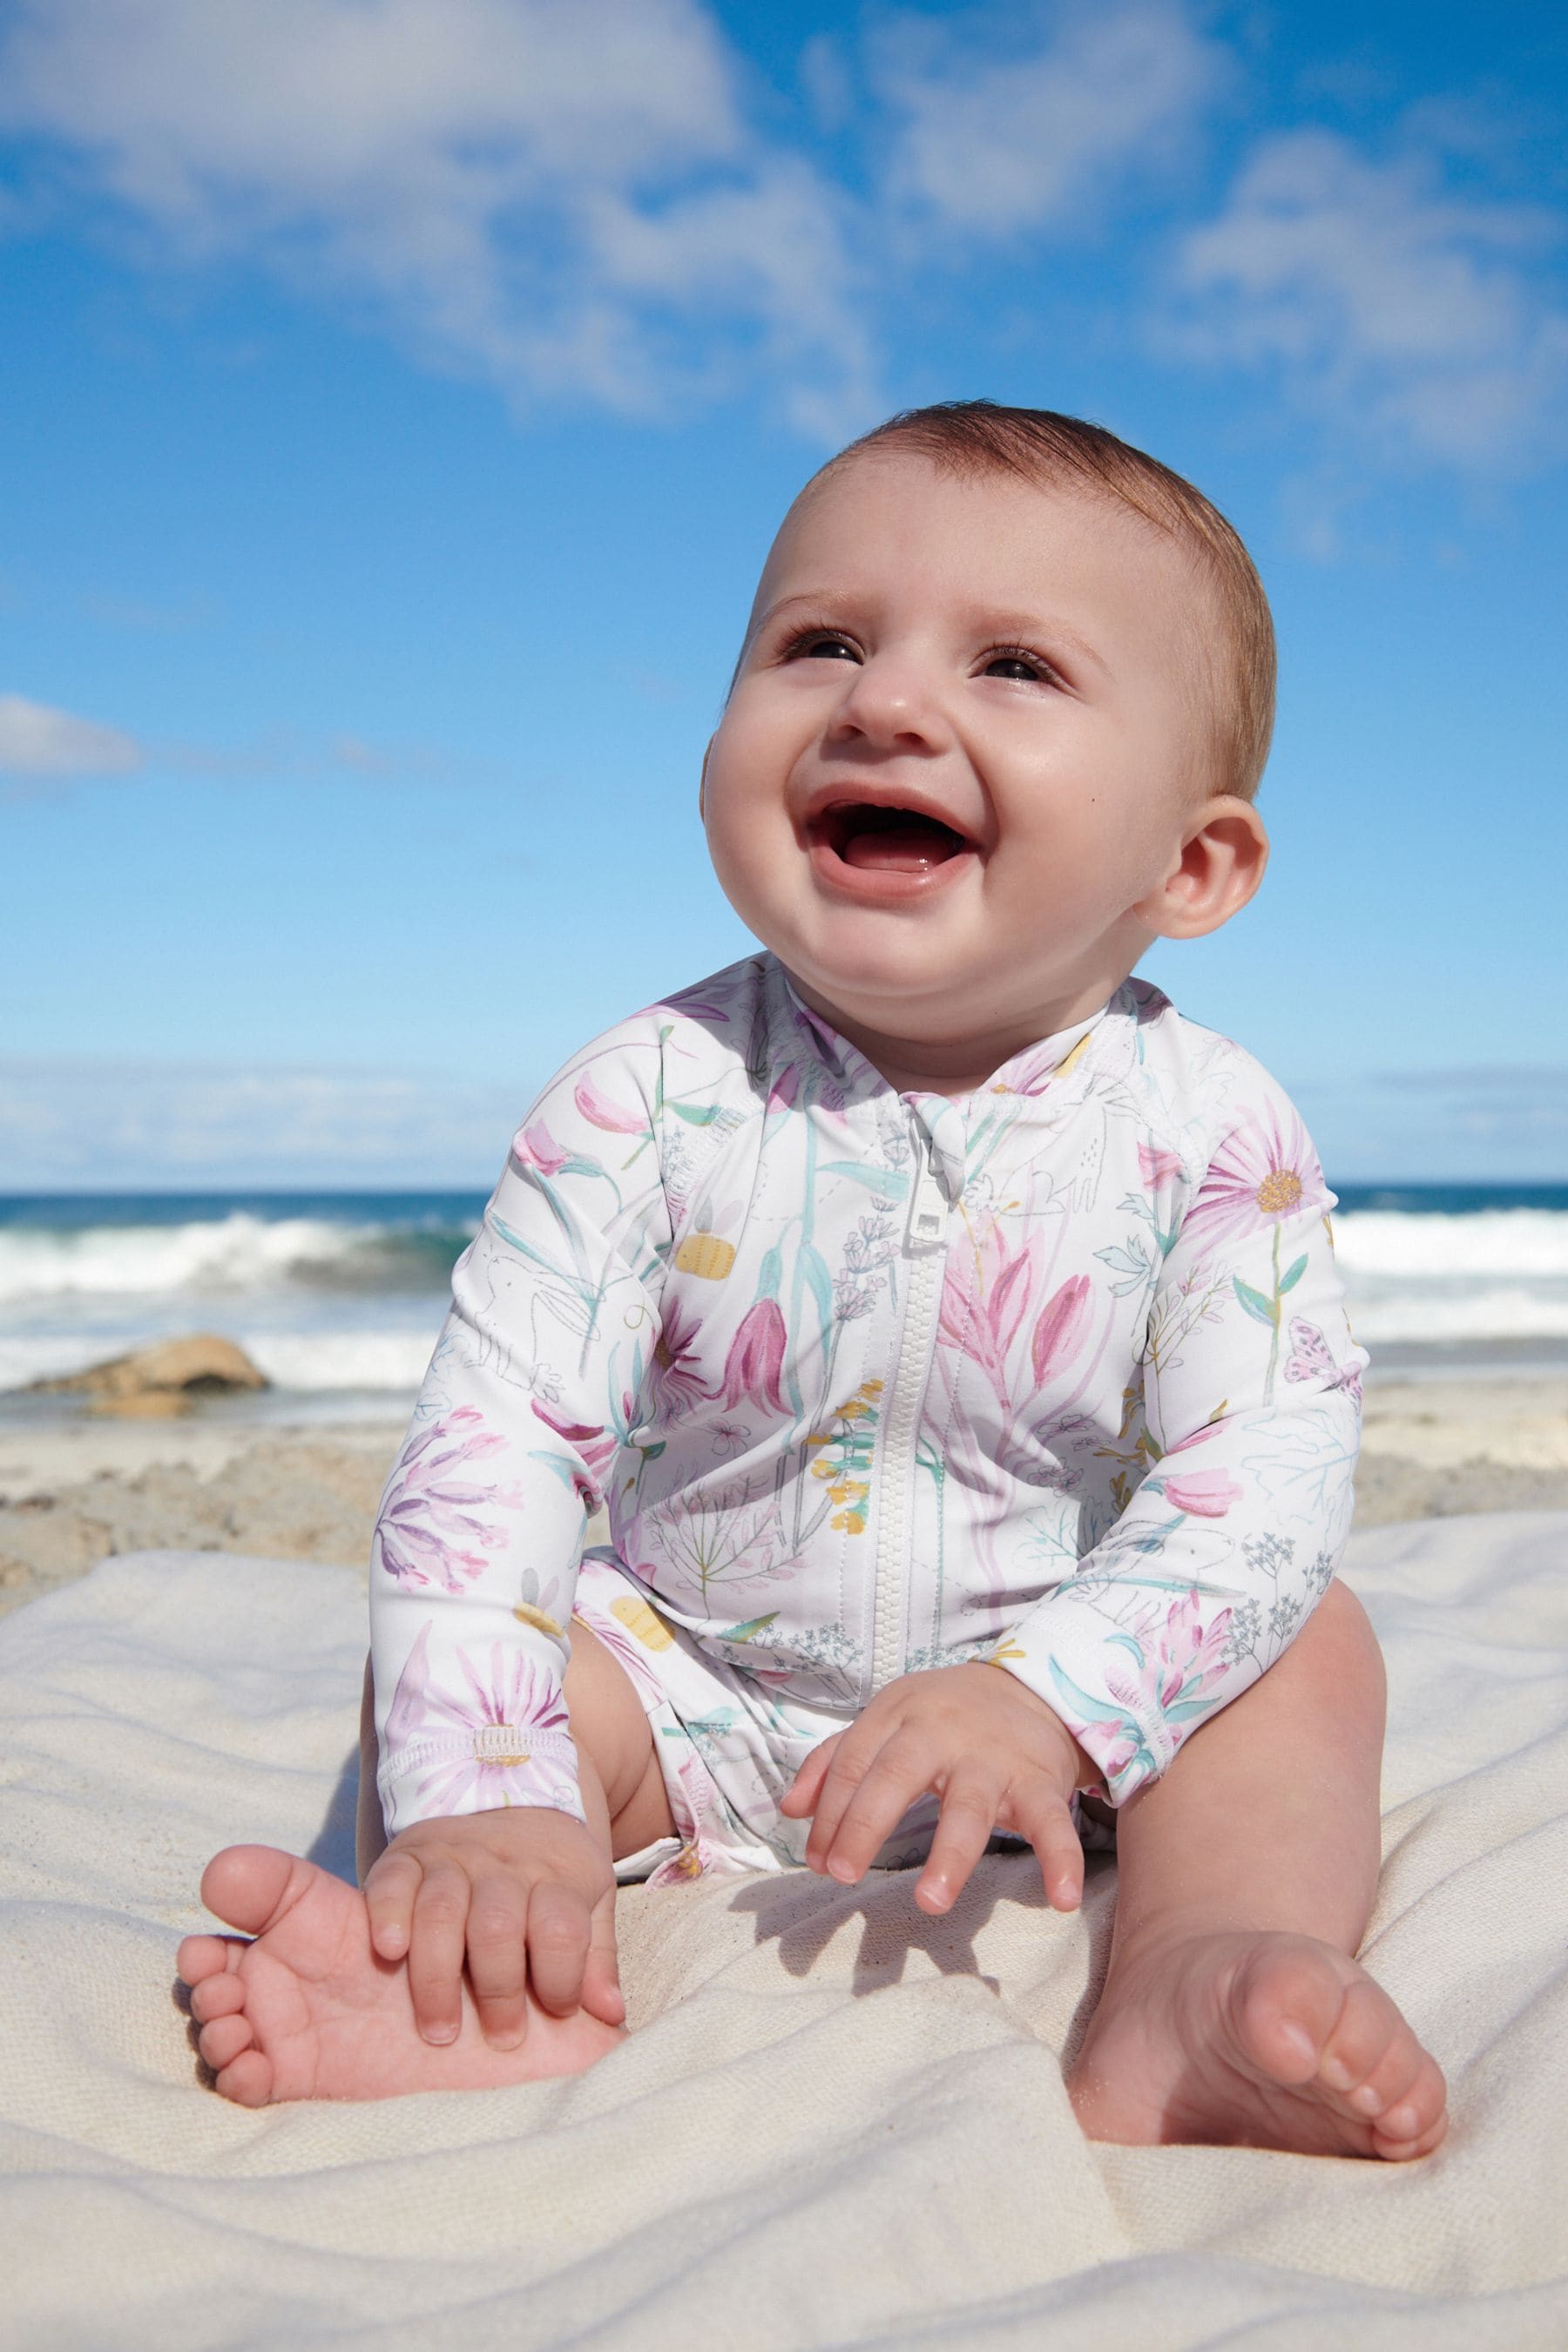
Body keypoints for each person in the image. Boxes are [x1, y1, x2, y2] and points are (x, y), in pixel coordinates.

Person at [179, 402, 1448, 2158]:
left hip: (1065, 1722)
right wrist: (485, 1797)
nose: (886, 701)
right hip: (690, 1692)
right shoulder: (648, 1096)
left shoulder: (1212, 1129)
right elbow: (491, 1450)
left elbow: (1263, 1483)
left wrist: (1057, 1692)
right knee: (498, 1647)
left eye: (1013, 663)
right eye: (822, 642)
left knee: (1305, 1643)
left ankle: (1192, 1971)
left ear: (1192, 864)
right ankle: (488, 1967)